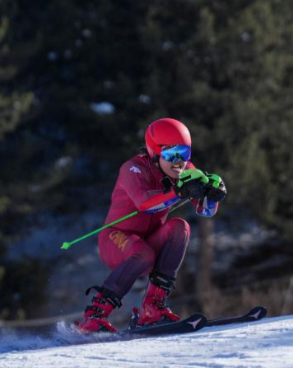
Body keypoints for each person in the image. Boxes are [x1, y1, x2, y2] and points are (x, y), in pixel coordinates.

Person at [76, 118, 227, 332]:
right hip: (116, 240)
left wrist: (211, 195)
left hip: (148, 241)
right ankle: (94, 315)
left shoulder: (185, 169)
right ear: (155, 152)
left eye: (184, 153)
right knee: (143, 254)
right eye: (171, 154)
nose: (179, 162)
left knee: (180, 227)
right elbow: (144, 204)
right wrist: (178, 191)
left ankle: (153, 309)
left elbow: (205, 211)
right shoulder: (132, 169)